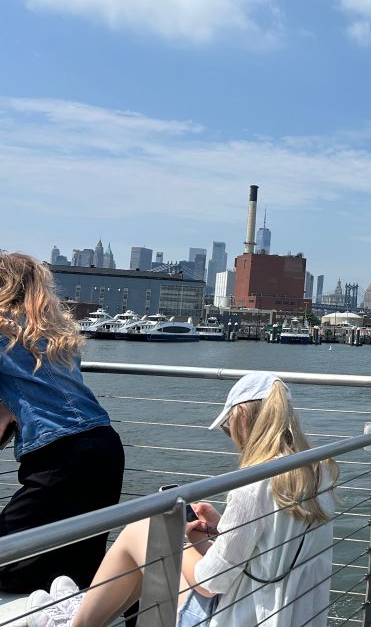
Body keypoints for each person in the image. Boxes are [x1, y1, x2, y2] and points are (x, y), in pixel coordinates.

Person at [28, 371, 339, 627]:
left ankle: (74, 623)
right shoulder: (318, 470)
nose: (231, 437)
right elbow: (268, 556)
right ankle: (82, 615)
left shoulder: (252, 484)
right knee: (153, 544)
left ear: (243, 418)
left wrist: (185, 542)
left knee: (144, 530)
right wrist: (220, 529)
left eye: (228, 428)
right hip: (291, 616)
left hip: (236, 618)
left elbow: (212, 582)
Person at [0, 252, 125, 593]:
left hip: (61, 454)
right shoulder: (53, 331)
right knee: (77, 564)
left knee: (8, 554)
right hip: (104, 445)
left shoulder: (3, 330)